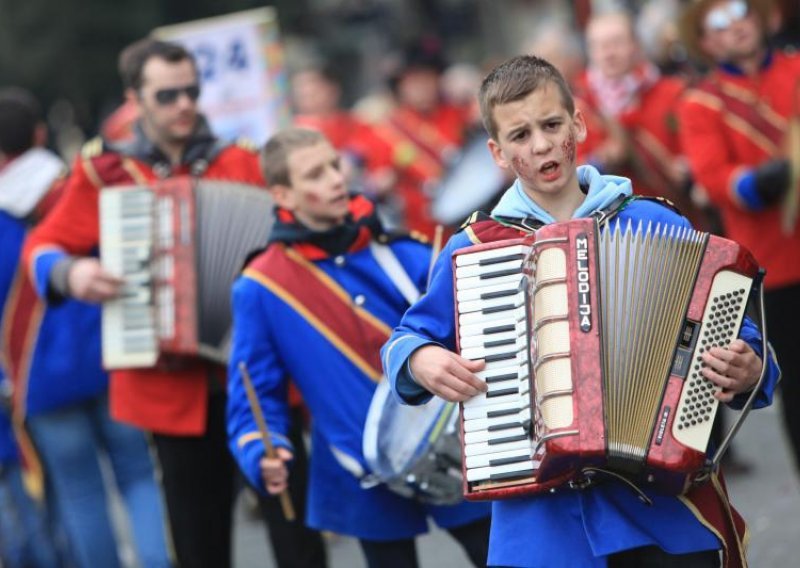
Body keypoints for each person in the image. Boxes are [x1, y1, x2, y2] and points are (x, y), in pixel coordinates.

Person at [382, 55, 781, 568]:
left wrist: (751, 365)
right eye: (520, 135)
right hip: (544, 522)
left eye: (551, 125)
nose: (542, 144)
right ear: (497, 153)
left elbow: (736, 330)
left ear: (578, 124)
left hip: (663, 507)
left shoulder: (651, 219)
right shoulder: (475, 248)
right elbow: (406, 336)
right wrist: (420, 360)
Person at [21, 39, 264, 568]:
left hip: (255, 377)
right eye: (168, 94)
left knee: (295, 531)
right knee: (198, 543)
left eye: (192, 92)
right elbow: (42, 248)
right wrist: (72, 271)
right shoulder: (105, 173)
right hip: (167, 386)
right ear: (135, 99)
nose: (184, 104)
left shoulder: (240, 160)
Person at [226, 127, 491, 568]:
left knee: (496, 555)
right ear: (283, 195)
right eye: (315, 174)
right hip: (358, 462)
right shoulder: (260, 286)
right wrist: (261, 447)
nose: (335, 179)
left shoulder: (401, 250)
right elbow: (253, 395)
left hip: (451, 441)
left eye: (334, 165)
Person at [0, 87, 172, 568]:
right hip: (115, 357)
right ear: (39, 133)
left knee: (80, 497)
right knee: (140, 477)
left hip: (40, 378)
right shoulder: (82, 187)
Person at [677, 0, 800, 473]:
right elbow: (712, 178)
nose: (736, 28)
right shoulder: (701, 102)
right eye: (719, 24)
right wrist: (753, 183)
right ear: (707, 42)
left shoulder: (793, 70)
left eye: (741, 13)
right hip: (776, 263)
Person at [575, 10, 714, 231]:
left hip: (677, 220)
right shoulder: (578, 109)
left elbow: (701, 154)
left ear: (635, 45)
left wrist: (685, 168)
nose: (608, 53)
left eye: (616, 43)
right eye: (599, 46)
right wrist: (601, 160)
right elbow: (573, 176)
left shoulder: (673, 93)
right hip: (615, 233)